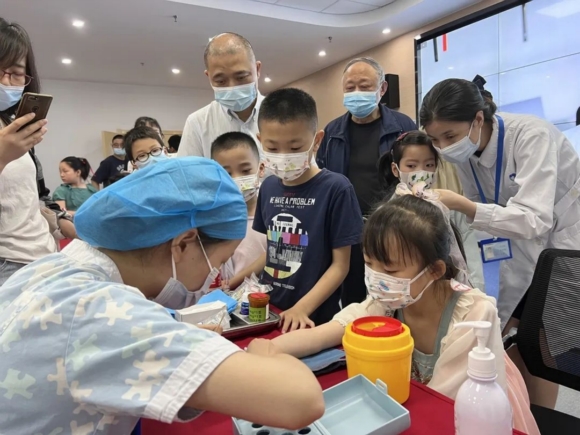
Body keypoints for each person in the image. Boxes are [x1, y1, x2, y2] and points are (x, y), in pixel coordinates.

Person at [0, 157, 325, 434]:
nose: (213, 277)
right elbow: (300, 400)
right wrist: (265, 351)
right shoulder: (100, 311)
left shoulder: (50, 269)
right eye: (218, 263)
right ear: (183, 243)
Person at [268, 194, 539, 435]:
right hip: (412, 406)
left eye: (390, 270)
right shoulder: (389, 301)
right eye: (369, 263)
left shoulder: (474, 314)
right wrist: (269, 349)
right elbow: (328, 332)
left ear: (435, 270)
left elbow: (440, 401)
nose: (376, 278)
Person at [420, 78, 580, 409]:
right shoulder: (465, 153)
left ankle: (541, 418)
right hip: (521, 246)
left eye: (450, 136)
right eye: (435, 140)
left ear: (478, 118)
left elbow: (534, 219)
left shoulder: (532, 135)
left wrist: (462, 205)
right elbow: (488, 214)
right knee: (513, 335)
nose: (444, 147)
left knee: (544, 342)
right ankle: (524, 411)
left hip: (565, 244)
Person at [237, 88, 363, 332]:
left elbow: (341, 266)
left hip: (313, 316)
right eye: (273, 148)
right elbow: (273, 250)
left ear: (317, 141)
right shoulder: (269, 187)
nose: (284, 157)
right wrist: (235, 281)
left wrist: (302, 308)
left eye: (295, 148)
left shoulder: (336, 189)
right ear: (260, 141)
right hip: (270, 309)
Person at [315, 57, 417, 307]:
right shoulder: (332, 132)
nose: (357, 93)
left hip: (392, 227)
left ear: (382, 89)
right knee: (352, 297)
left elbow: (417, 175)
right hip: (348, 230)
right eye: (350, 87)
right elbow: (323, 181)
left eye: (365, 86)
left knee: (393, 295)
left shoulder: (403, 127)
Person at [378, 131, 485, 291]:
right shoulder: (385, 213)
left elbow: (470, 257)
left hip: (446, 289)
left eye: (429, 165)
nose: (421, 172)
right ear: (395, 169)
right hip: (402, 291)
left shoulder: (450, 207)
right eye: (411, 166)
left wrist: (476, 292)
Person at [0, 17, 56, 285]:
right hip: (8, 264)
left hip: (43, 255)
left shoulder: (13, 126)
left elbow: (35, 194)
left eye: (16, 73)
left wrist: (60, 220)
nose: (5, 80)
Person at [178, 33, 264, 159]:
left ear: (257, 69)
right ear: (208, 77)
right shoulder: (197, 123)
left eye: (241, 77)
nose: (232, 87)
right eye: (221, 81)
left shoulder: (285, 115)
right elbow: (188, 170)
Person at [211, 132, 266, 282]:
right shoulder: (216, 221)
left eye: (245, 170)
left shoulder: (273, 213)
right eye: (227, 173)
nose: (236, 178)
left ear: (261, 168)